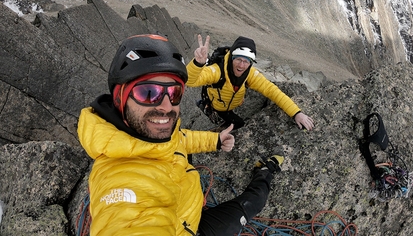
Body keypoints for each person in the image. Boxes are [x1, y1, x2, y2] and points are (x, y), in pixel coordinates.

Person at [77, 34, 284, 236]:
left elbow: (179, 138)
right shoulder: (121, 178)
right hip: (194, 228)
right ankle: (267, 170)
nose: (166, 106)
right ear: (119, 97)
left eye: (174, 93)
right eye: (148, 93)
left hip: (186, 207)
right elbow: (129, 219)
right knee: (255, 201)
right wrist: (198, 63)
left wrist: (216, 141)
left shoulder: (149, 132)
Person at [187, 35, 314, 131]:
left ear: (251, 63)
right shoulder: (217, 71)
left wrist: (296, 113)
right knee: (239, 124)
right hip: (219, 106)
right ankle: (205, 106)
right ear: (231, 58)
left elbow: (272, 91)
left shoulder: (250, 74)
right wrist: (198, 63)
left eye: (246, 61)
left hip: (232, 103)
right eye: (238, 59)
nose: (242, 65)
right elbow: (190, 81)